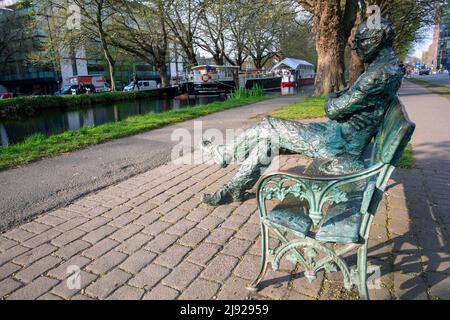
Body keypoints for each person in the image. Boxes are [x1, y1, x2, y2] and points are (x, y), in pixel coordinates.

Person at [200, 18, 403, 206]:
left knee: (268, 125)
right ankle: (234, 188)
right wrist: (338, 99)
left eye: (360, 41)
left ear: (376, 40)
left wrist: (334, 99)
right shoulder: (385, 67)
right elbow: (342, 98)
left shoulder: (378, 74)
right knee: (267, 141)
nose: (356, 46)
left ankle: (224, 154)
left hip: (338, 147)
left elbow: (333, 108)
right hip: (341, 137)